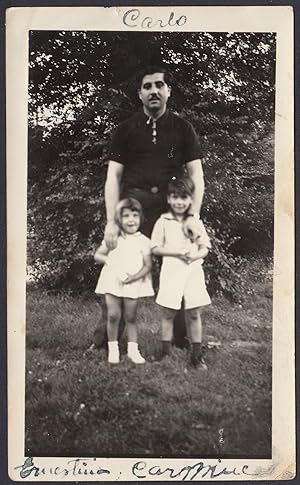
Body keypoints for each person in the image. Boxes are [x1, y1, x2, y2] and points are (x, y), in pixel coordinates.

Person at [94, 64, 206, 348]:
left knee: (180, 264)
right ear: (139, 94)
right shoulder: (125, 130)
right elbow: (113, 177)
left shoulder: (182, 129)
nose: (153, 90)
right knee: (119, 265)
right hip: (134, 209)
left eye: (159, 85)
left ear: (168, 91)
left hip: (172, 209)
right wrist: (112, 221)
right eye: (147, 86)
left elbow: (196, 176)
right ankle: (105, 339)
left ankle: (181, 338)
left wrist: (192, 216)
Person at [151, 177, 211, 369]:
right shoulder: (163, 221)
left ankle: (196, 355)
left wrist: (194, 257)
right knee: (168, 312)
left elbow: (205, 248)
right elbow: (155, 248)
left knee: (194, 313)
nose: (179, 202)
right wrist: (176, 252)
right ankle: (165, 353)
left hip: (193, 271)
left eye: (183, 197)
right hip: (171, 270)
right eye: (174, 197)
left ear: (191, 200)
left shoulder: (195, 222)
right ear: (168, 199)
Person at [94, 198, 154, 364]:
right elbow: (98, 255)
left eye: (135, 215)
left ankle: (133, 351)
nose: (131, 220)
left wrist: (134, 277)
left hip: (133, 282)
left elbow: (148, 265)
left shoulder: (144, 241)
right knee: (113, 315)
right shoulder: (114, 238)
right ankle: (113, 350)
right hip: (113, 280)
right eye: (126, 215)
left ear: (141, 218)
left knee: (131, 316)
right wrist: (110, 262)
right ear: (118, 219)